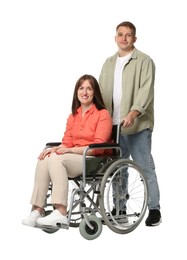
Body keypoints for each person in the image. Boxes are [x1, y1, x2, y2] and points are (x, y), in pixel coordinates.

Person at [22, 74, 113, 228]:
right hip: (75, 157)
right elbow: (67, 143)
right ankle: (37, 209)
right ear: (76, 92)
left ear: (94, 92)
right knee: (46, 156)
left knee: (56, 158)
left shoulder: (102, 114)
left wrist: (67, 150)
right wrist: (55, 149)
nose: (85, 92)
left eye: (89, 89)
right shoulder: (74, 115)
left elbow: (98, 148)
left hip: (93, 160)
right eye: (81, 88)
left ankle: (61, 211)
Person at [99, 21, 161, 226]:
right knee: (118, 169)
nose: (124, 38)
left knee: (145, 167)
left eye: (128, 35)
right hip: (114, 126)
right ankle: (120, 209)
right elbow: (102, 93)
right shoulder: (108, 63)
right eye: (120, 34)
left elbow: (146, 91)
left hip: (137, 125)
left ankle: (154, 209)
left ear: (134, 38)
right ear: (115, 37)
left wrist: (134, 112)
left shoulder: (144, 61)